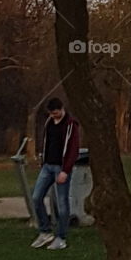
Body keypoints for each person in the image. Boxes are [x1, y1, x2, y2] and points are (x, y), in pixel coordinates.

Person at [30, 97, 80, 250]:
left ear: (62, 109)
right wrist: (42, 159)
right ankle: (45, 231)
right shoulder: (49, 123)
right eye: (51, 114)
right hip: (47, 166)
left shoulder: (71, 125)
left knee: (62, 204)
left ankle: (61, 237)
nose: (54, 116)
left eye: (56, 113)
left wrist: (65, 170)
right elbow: (46, 142)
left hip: (61, 167)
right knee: (36, 197)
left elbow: (73, 150)